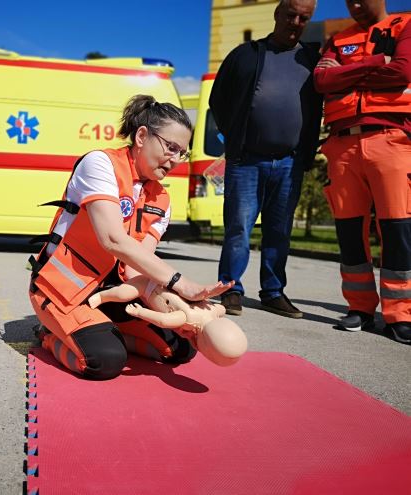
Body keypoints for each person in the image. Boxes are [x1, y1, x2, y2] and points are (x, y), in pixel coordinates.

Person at [28, 95, 234, 380]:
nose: (176, 159)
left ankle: (105, 330)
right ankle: (49, 335)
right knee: (104, 361)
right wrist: (181, 283)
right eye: (171, 148)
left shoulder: (162, 199)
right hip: (64, 293)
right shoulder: (100, 164)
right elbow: (112, 239)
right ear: (141, 136)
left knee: (180, 348)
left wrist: (179, 305)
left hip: (114, 293)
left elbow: (137, 267)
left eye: (182, 153)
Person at [209, 0, 323, 318]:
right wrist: (236, 135)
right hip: (247, 161)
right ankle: (230, 288)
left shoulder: (312, 59)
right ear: (277, 14)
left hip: (290, 163)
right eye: (290, 15)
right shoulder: (245, 54)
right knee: (238, 229)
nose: (295, 22)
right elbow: (219, 99)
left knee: (279, 231)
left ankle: (273, 292)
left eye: (303, 18)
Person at [313, 0, 410, 344]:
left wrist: (346, 73)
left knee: (398, 229)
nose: (354, 4)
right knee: (349, 230)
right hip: (342, 144)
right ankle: (360, 307)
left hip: (392, 138)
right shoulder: (339, 38)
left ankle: (400, 313)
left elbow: (403, 71)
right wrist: (376, 62)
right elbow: (322, 80)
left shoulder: (405, 26)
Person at [88, 276, 248, 367]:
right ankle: (102, 296)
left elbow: (222, 308)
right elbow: (163, 321)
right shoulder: (187, 318)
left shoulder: (213, 311)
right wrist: (140, 312)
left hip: (159, 284)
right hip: (145, 286)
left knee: (182, 350)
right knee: (122, 294)